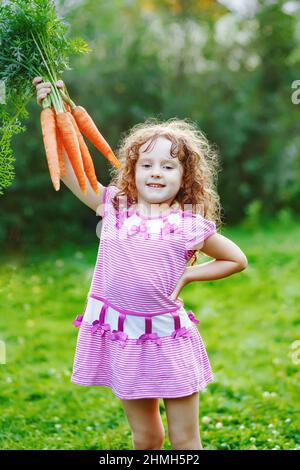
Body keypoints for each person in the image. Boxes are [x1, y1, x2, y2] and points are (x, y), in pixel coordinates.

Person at [32, 77, 248, 450]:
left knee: (184, 440)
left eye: (168, 166)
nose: (156, 172)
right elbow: (68, 169)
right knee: (146, 436)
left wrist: (192, 274)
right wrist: (52, 108)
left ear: (186, 177)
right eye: (146, 164)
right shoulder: (113, 206)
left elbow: (236, 259)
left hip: (168, 340)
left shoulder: (190, 222)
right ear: (131, 171)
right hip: (123, 338)